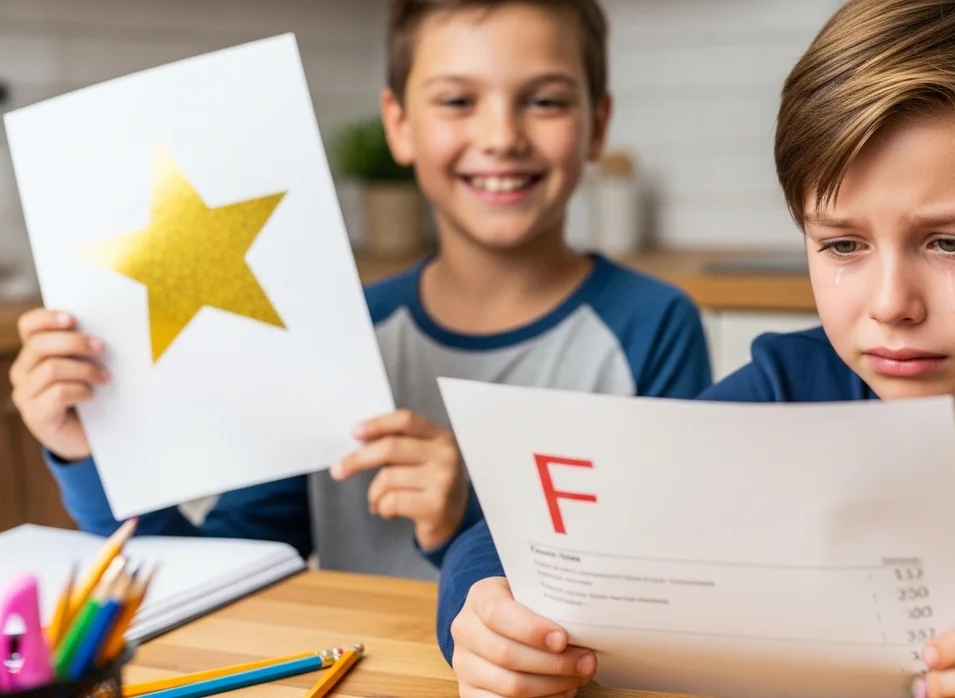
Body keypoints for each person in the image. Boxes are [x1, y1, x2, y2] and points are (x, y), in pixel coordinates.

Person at [430, 0, 955, 696]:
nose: (890, 306)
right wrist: (483, 615)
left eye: (951, 243)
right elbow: (512, 541)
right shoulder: (782, 393)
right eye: (841, 245)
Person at [9, 0, 711, 581]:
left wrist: (462, 525)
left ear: (598, 124)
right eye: (458, 100)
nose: (500, 136)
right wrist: (91, 453)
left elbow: (666, 584)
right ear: (398, 124)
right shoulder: (335, 332)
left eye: (546, 100)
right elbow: (216, 569)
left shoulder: (654, 325)